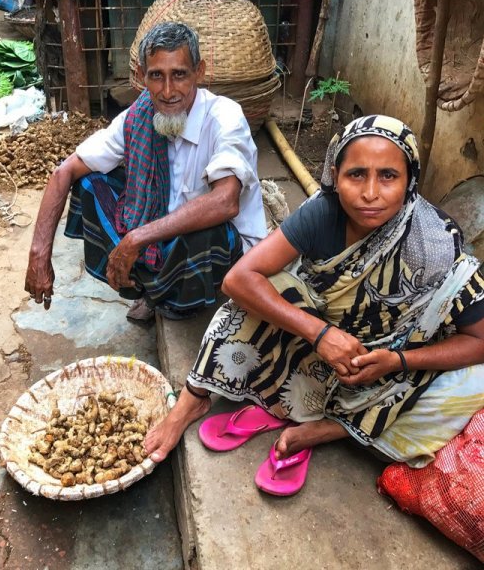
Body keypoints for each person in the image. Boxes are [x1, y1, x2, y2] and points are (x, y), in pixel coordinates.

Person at [145, 114, 484, 478]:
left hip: (389, 372)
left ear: (410, 181)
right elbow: (238, 279)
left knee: (473, 383)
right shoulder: (323, 213)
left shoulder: (435, 245)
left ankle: (332, 428)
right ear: (336, 177)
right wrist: (321, 335)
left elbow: (478, 342)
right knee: (259, 294)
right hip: (312, 348)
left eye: (388, 176)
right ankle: (192, 400)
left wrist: (397, 360)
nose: (370, 193)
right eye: (356, 174)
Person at [25, 22, 267, 320]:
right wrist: (39, 254)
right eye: (156, 76)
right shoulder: (137, 117)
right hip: (162, 239)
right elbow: (65, 171)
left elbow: (226, 201)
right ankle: (153, 289)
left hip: (224, 253)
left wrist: (137, 238)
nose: (167, 91)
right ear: (141, 77)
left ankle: (174, 298)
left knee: (206, 234)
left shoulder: (224, 117)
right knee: (90, 185)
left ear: (199, 73)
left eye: (179, 75)